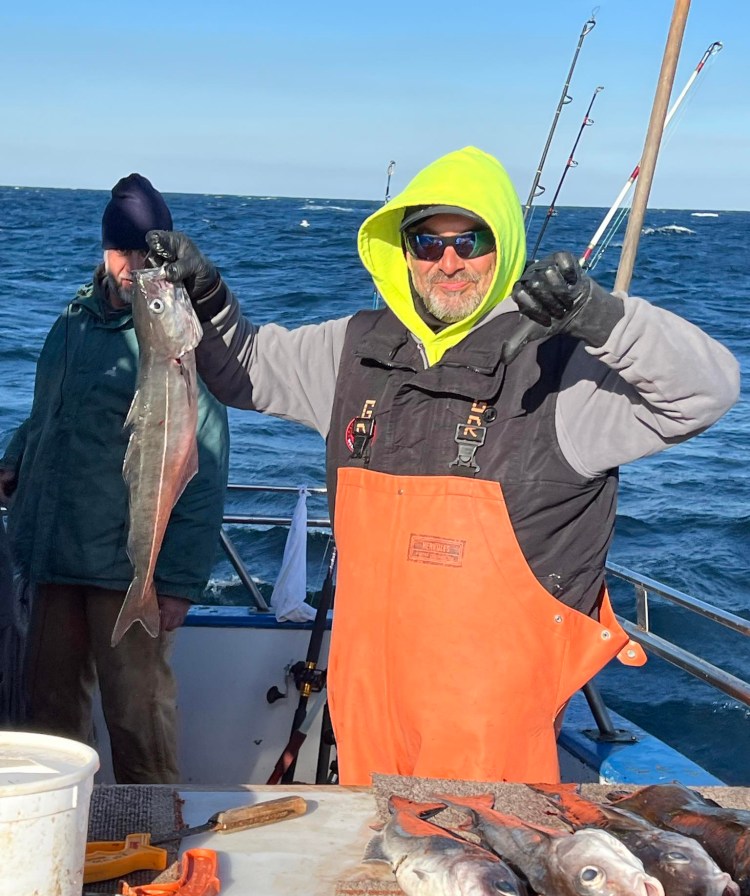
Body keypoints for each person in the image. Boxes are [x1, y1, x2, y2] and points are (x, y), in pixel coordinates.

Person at [145, 146, 739, 786]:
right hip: (365, 704)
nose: (447, 261)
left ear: (504, 246)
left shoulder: (566, 367)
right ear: (403, 253)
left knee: (482, 881)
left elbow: (704, 391)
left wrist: (598, 316)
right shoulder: (353, 349)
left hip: (491, 726)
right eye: (426, 242)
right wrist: (205, 295)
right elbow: (250, 370)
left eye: (470, 240)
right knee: (374, 867)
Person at [0, 173, 229, 783]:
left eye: (142, 251)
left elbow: (202, 467)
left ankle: (157, 841)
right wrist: (15, 456)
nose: (130, 264)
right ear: (104, 249)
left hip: (126, 570)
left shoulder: (173, 339)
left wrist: (176, 580)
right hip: (51, 558)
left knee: (137, 717)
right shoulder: (72, 321)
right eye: (120, 248)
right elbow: (46, 412)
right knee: (49, 725)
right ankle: (67, 841)